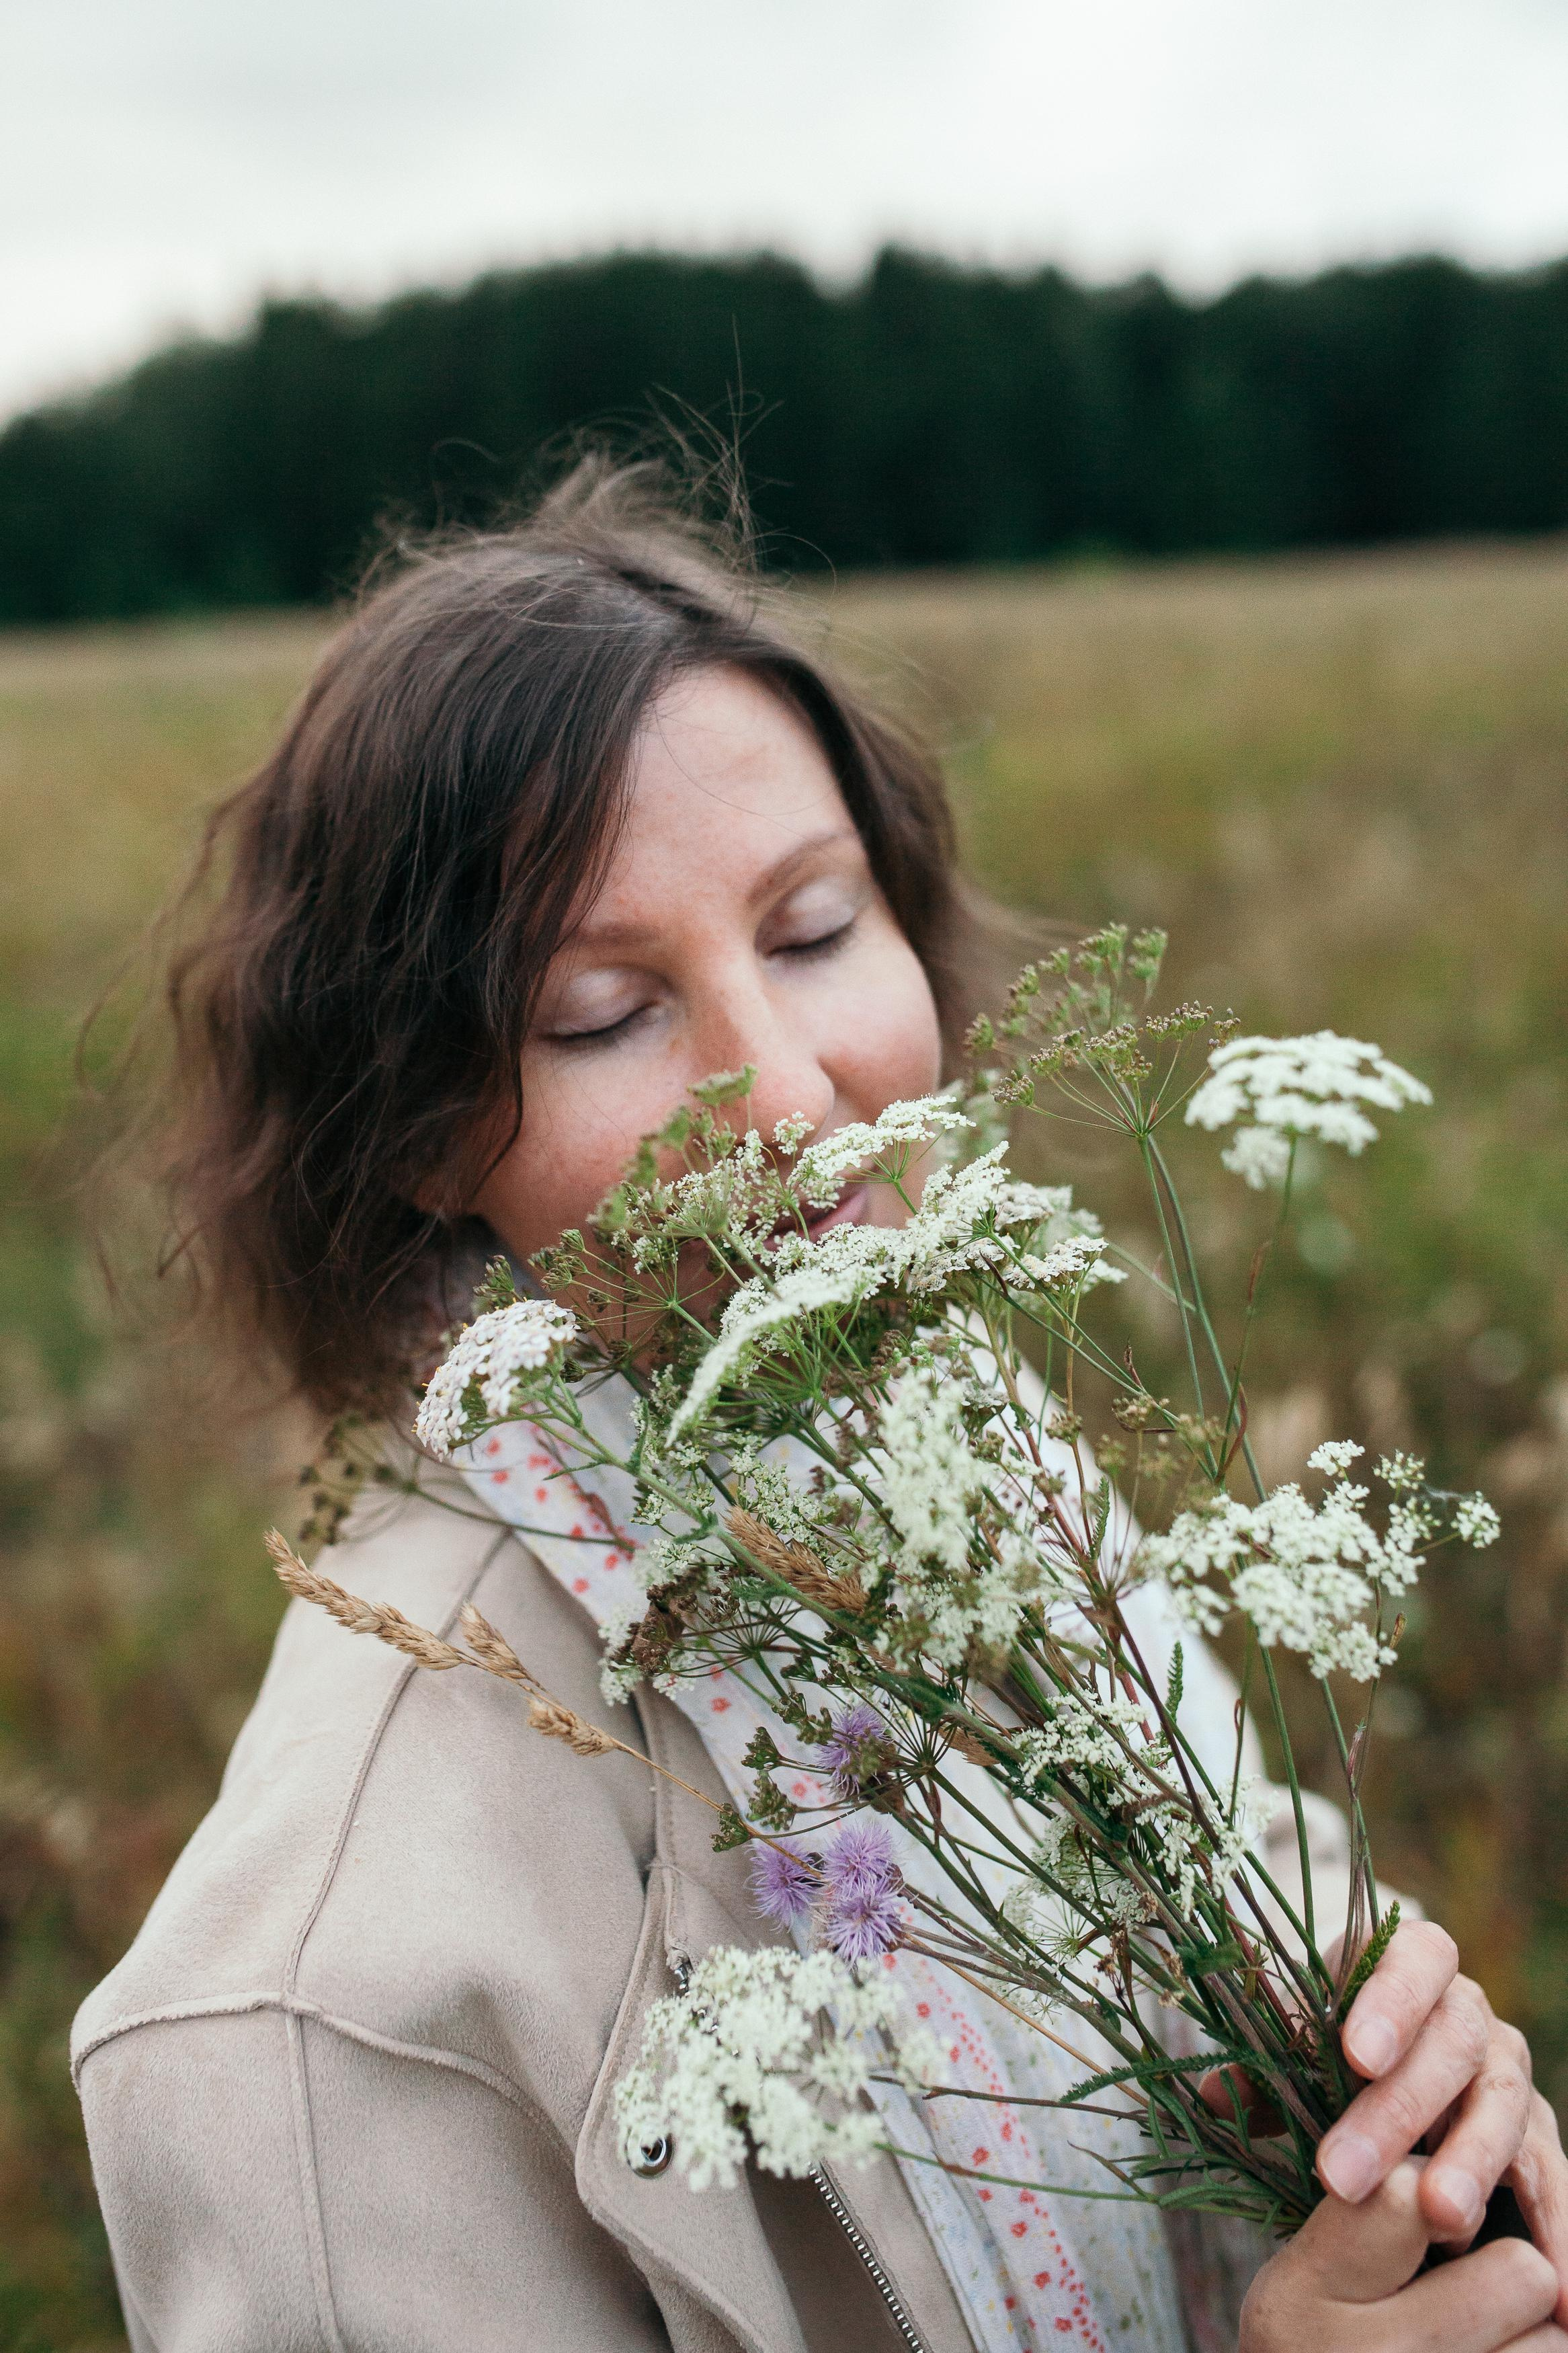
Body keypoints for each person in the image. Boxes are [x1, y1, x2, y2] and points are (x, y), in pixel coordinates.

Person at [73, 458, 1568, 2352]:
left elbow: (1246, 1853)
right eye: (607, 1011)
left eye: (810, 929)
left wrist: (1400, 2072)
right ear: (421, 1130)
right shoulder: (314, 2012)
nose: (787, 1094)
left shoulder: (948, 1424)